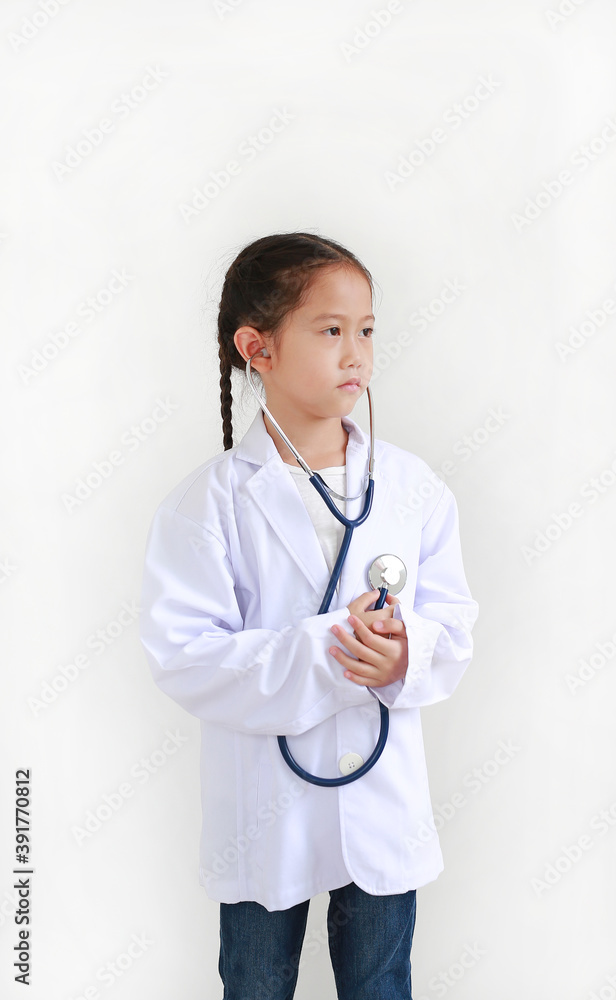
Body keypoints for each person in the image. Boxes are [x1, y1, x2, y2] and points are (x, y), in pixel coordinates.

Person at [139, 232, 479, 1000]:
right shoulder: (209, 503)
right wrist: (327, 648)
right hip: (266, 810)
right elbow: (184, 655)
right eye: (330, 331)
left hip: (380, 796)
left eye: (365, 330)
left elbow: (454, 621)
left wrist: (404, 656)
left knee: (381, 983)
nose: (355, 352)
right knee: (255, 983)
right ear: (256, 347)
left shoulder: (411, 486)